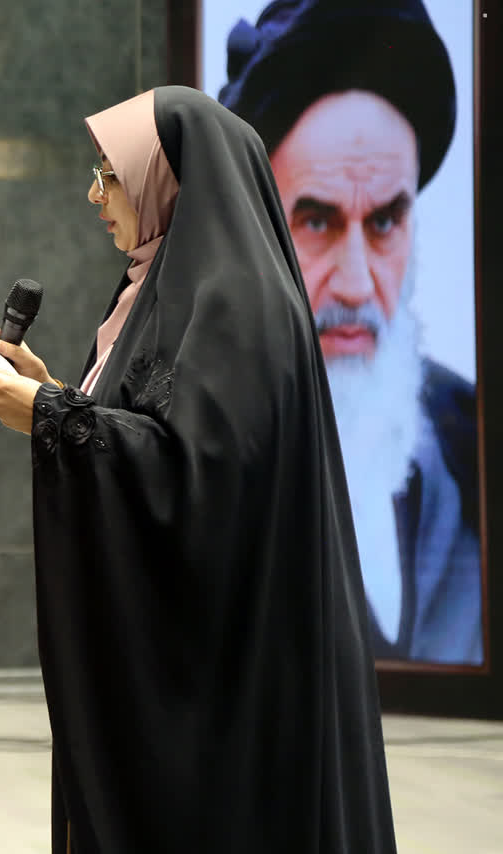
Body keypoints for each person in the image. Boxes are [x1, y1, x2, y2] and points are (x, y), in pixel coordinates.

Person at [0, 86, 397, 853]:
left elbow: (206, 485)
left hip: (234, 685)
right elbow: (150, 430)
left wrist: (52, 417)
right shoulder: (158, 287)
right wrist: (56, 392)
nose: (94, 194)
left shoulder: (238, 301)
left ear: (166, 178)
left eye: (110, 173)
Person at [216, 0, 481, 665]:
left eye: (385, 222)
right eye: (317, 221)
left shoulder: (470, 438)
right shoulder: (201, 439)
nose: (358, 285)